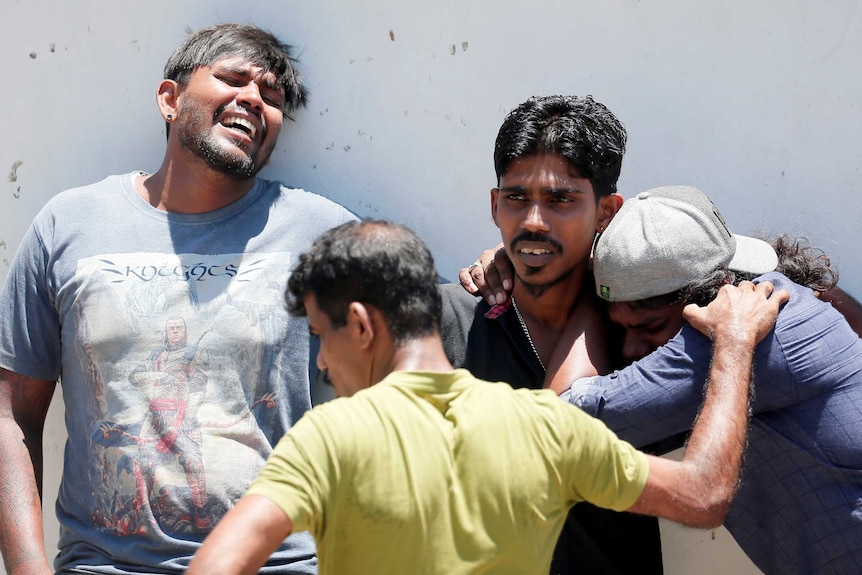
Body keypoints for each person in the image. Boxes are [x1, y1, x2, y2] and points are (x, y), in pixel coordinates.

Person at [186, 219, 787, 575]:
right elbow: (706, 494)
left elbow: (218, 564)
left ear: (363, 327)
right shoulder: (548, 427)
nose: (320, 360)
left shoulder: (330, 437)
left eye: (321, 335)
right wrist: (732, 348)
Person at [0, 23, 356, 574]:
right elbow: (13, 415)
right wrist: (26, 568)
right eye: (233, 78)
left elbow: (422, 336)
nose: (253, 100)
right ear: (170, 99)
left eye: (272, 95)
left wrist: (498, 271)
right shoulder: (69, 225)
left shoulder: (319, 232)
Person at [543, 185, 862, 574]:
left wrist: (580, 292)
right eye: (619, 328)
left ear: (712, 295)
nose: (628, 349)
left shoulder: (742, 332)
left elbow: (558, 423)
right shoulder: (782, 296)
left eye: (650, 327)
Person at [440, 94, 667, 574]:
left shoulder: (643, 331)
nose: (534, 223)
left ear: (606, 212)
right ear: (495, 205)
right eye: (517, 198)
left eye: (561, 199)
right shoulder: (444, 322)